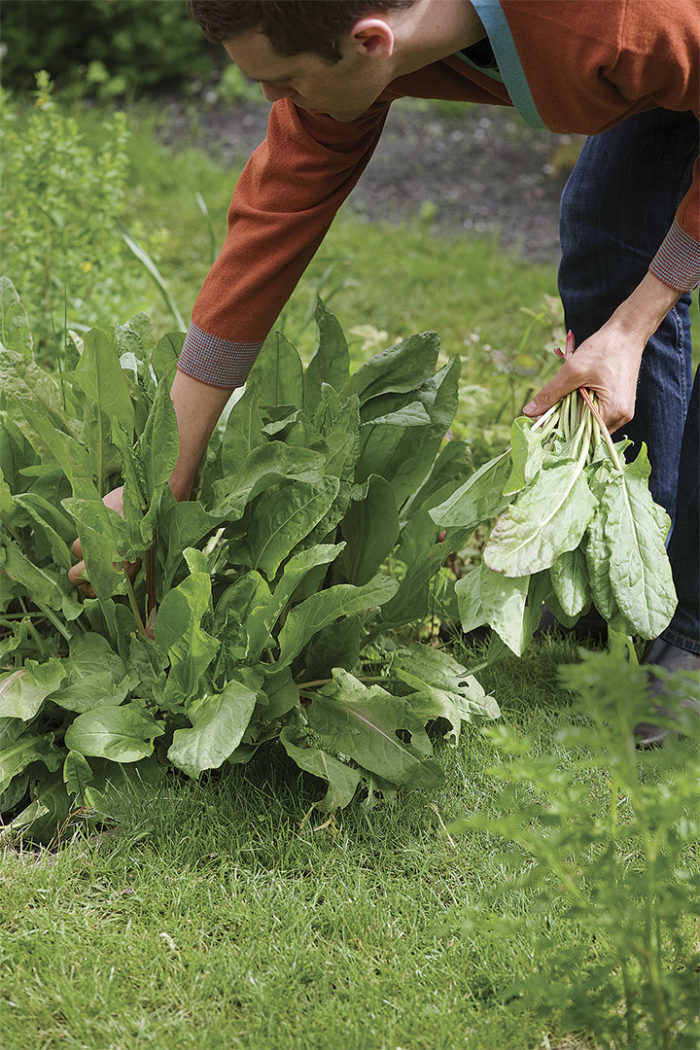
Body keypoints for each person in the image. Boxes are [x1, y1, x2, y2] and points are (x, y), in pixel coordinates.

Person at [70, 0, 699, 739]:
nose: (277, 104)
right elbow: (272, 223)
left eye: (286, 83)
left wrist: (633, 325)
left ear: (371, 43)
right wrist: (167, 475)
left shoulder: (614, 20)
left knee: (649, 281)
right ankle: (630, 577)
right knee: (608, 234)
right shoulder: (360, 43)